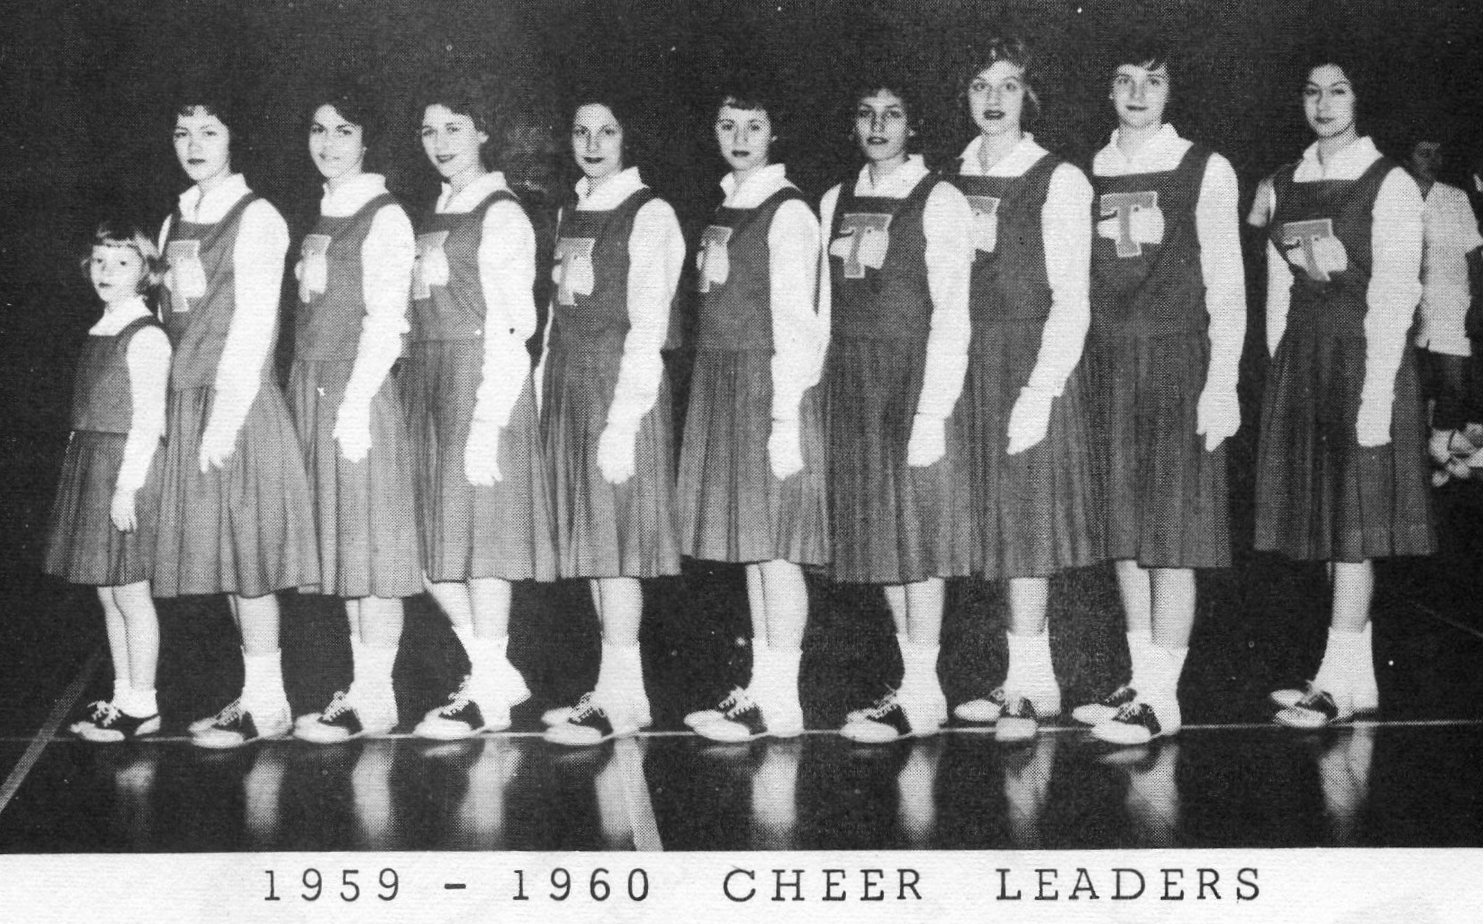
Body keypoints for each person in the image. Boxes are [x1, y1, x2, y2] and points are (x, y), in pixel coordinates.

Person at [1078, 42, 1246, 745]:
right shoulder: (1085, 170)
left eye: (1153, 80)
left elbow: (1228, 282)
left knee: (1171, 535)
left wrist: (1223, 381)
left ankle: (1161, 698)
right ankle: (1140, 677)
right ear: (1107, 89)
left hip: (1178, 357)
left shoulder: (1204, 167)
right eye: (1123, 79)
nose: (1137, 92)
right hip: (1105, 362)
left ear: (1172, 90)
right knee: (1124, 532)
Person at [1259, 56, 1431, 728]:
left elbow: (1396, 295)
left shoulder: (1388, 183)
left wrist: (1374, 397)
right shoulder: (1283, 178)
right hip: (1304, 361)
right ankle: (1352, 679)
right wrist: (1280, 367)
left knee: (1353, 525)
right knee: (1331, 524)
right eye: (1311, 92)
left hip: (1363, 359)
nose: (1322, 104)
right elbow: (1278, 287)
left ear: (1361, 98)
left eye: (1338, 91)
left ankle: (1333, 681)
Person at [942, 37, 1099, 743]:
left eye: (1008, 85)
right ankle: (1019, 675)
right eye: (981, 84)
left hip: (1026, 362)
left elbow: (1074, 298)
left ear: (1028, 97)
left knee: (1026, 525)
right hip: (964, 362)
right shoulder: (948, 178)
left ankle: (1036, 685)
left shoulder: (1059, 179)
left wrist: (1041, 388)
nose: (994, 99)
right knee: (991, 527)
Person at [155, 93, 320, 748]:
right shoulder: (173, 220)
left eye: (209, 131)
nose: (194, 144)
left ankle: (269, 703)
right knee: (225, 560)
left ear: (235, 139)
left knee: (249, 561)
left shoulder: (258, 218)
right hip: (185, 399)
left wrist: (223, 421)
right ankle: (254, 694)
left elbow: (254, 328)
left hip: (236, 403)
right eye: (182, 131)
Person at [819, 77, 974, 743]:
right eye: (865, 111)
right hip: (850, 380)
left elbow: (954, 312)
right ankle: (916, 686)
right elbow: (825, 307)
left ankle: (920, 690)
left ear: (914, 125)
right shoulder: (834, 198)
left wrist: (933, 411)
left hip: (911, 378)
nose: (878, 124)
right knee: (878, 539)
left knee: (916, 536)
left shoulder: (938, 199)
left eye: (893, 113)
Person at [406, 79, 557, 740]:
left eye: (454, 130)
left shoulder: (500, 212)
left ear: (483, 134)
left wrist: (488, 423)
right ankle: (492, 669)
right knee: (424, 549)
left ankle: (489, 698)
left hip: (480, 382)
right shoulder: (435, 210)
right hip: (429, 382)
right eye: (428, 131)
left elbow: (514, 326)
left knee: (482, 547)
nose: (440, 144)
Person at [677, 87, 828, 742]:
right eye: (727, 122)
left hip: (767, 389)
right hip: (722, 383)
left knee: (776, 553)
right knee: (752, 550)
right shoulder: (726, 201)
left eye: (754, 124)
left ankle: (782, 701)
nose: (739, 136)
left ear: (776, 131)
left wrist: (785, 418)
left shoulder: (787, 212)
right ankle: (762, 689)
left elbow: (802, 327)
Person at [539, 93, 683, 745]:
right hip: (572, 387)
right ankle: (617, 689)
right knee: (595, 549)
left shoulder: (650, 213)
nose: (592, 143)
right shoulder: (572, 207)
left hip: (619, 389)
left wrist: (624, 421)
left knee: (616, 549)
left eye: (607, 130)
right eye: (580, 130)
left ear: (630, 137)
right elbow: (553, 319)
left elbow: (649, 326)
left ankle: (622, 697)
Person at [288, 86, 422, 743]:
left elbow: (388, 323)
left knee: (371, 555)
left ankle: (377, 696)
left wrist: (354, 406)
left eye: (344, 130)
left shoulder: (383, 215)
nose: (328, 142)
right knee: (345, 552)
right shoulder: (324, 212)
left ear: (368, 140)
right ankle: (364, 691)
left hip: (355, 396)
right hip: (312, 388)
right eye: (319, 127)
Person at [47, 223, 171, 742]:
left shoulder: (145, 335)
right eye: (99, 261)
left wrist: (126, 487)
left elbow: (148, 422)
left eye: (121, 263)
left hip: (124, 470)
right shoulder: (103, 327)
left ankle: (144, 704)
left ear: (145, 272)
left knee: (132, 591)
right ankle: (124, 696)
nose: (106, 272)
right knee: (108, 592)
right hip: (93, 465)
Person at [1405, 136, 1483, 485]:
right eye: (1424, 152)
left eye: (1438, 151)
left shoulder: (1455, 197)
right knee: (1415, 384)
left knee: (1453, 384)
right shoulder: (1393, 195)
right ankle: (1426, 461)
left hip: (1453, 303)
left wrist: (1479, 302)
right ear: (1408, 156)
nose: (1432, 159)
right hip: (1407, 306)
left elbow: (1473, 255)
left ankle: (1438, 449)